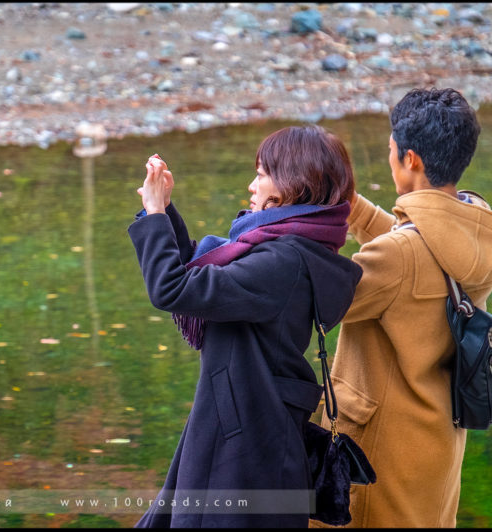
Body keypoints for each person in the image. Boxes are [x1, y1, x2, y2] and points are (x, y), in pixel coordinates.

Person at [127, 125, 363, 528]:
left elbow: (173, 288)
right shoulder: (288, 250)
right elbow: (200, 282)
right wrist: (161, 211)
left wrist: (155, 215)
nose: (252, 185)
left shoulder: (283, 262)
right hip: (248, 431)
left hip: (244, 447)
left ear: (291, 184)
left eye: (261, 173)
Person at [310, 88, 492, 528]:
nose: (389, 158)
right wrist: (351, 205)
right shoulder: (472, 233)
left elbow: (316, 302)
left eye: (390, 150)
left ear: (412, 160)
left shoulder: (398, 257)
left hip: (378, 452)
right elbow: (419, 254)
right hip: (435, 444)